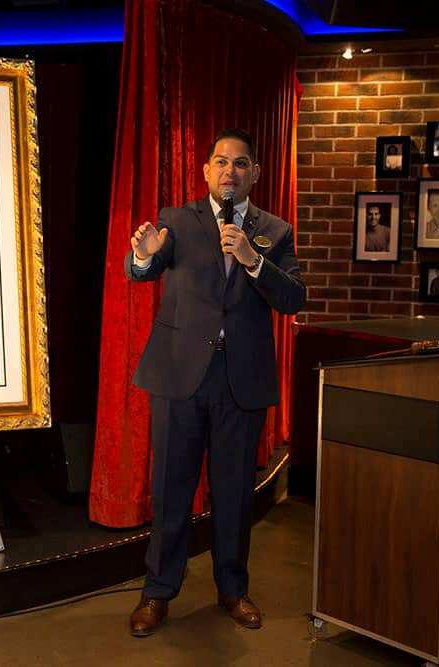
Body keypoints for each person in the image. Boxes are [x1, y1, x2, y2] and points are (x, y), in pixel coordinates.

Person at [124, 128, 306, 637]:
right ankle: (158, 592)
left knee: (234, 494)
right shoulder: (177, 220)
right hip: (179, 374)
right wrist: (144, 256)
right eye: (221, 162)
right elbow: (141, 272)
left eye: (240, 163)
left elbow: (293, 297)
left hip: (240, 379)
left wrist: (253, 259)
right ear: (206, 171)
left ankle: (232, 588)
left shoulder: (275, 231)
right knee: (171, 490)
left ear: (255, 173)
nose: (230, 171)